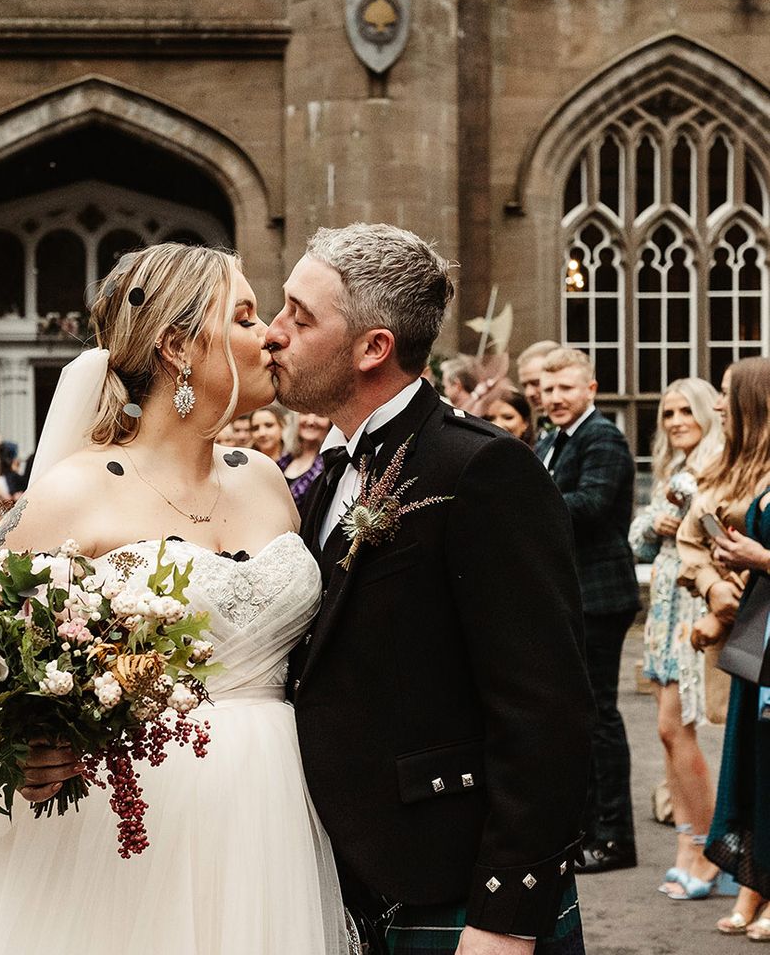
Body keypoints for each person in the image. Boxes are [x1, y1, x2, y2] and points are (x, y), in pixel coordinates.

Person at [0, 243, 347, 955]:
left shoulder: (266, 480)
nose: (268, 333)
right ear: (176, 345)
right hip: (124, 827)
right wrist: (21, 747)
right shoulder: (75, 491)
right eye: (244, 315)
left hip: (269, 818)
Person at [267, 223, 593, 955]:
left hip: (456, 884)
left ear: (372, 348)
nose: (273, 331)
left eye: (300, 314)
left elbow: (546, 706)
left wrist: (507, 913)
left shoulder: (482, 469)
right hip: (347, 878)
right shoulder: (327, 476)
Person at [535, 347, 640, 875]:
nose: (554, 399)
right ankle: (586, 829)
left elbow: (592, 508)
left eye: (566, 389)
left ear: (591, 389)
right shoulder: (553, 439)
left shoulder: (604, 439)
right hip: (572, 594)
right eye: (548, 390)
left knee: (600, 715)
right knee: (580, 715)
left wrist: (524, 505)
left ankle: (616, 837)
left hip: (601, 594)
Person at [678, 357, 770, 934]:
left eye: (726, 395)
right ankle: (754, 885)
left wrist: (757, 560)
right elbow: (695, 535)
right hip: (755, 634)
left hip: (763, 626)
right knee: (751, 761)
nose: (715, 406)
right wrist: (717, 583)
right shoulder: (727, 465)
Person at [628, 378, 723, 897]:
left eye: (687, 409)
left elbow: (723, 529)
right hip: (662, 612)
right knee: (668, 732)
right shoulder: (671, 470)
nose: (677, 419)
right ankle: (689, 842)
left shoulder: (717, 466)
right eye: (667, 412)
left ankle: (710, 848)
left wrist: (683, 522)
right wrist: (658, 522)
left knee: (676, 727)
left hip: (693, 606)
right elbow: (636, 539)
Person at [278, 413, 330, 515]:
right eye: (305, 412)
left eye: (320, 414)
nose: (310, 421)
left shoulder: (330, 465)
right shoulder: (283, 461)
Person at [517, 340, 560, 436]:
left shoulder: (588, 432)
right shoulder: (540, 427)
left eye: (536, 383)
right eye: (524, 386)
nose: (529, 393)